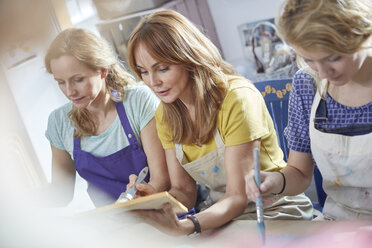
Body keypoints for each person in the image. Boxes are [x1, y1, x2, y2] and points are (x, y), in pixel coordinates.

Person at [125, 10, 312, 236]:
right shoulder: (166, 115)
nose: (153, 82)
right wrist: (151, 204)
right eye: (143, 72)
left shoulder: (236, 99)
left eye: (162, 68)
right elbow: (184, 191)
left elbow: (238, 195)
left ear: (189, 57)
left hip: (272, 212)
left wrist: (188, 225)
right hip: (220, 216)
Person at [246, 0, 372, 220]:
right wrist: (275, 181)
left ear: (363, 34)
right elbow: (300, 172)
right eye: (309, 59)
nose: (323, 73)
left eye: (333, 58)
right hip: (339, 227)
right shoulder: (308, 84)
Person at [43, 28, 170, 207]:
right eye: (61, 82)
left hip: (160, 213)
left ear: (102, 71)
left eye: (78, 79)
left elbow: (160, 180)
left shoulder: (138, 101)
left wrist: (135, 200)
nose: (70, 91)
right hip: (113, 228)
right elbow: (61, 194)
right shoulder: (58, 123)